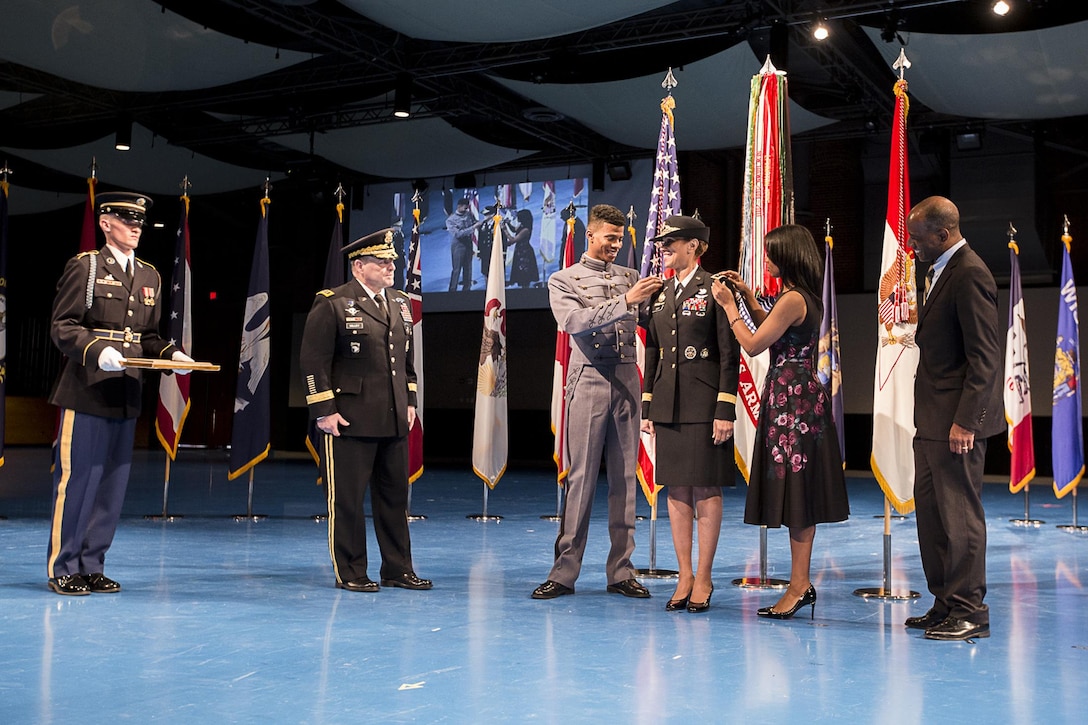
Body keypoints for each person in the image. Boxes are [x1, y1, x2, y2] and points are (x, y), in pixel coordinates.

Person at [47, 191, 194, 595]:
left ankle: (92, 564)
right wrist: (98, 351)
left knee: (112, 485)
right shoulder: (88, 267)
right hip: (88, 390)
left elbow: (147, 336)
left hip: (127, 391)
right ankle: (64, 566)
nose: (136, 228)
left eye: (140, 222)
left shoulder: (150, 276)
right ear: (106, 223)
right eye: (127, 220)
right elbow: (63, 326)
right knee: (78, 482)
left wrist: (172, 354)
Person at [711, 224, 849, 619]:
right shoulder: (800, 296)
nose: (766, 260)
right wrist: (750, 297)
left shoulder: (792, 299)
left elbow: (754, 343)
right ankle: (799, 583)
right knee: (796, 493)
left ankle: (800, 585)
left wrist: (728, 305)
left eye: (771, 254)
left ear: (788, 257)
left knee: (798, 495)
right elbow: (771, 323)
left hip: (794, 406)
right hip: (797, 397)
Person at [532, 204, 664, 600]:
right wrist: (627, 300)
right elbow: (574, 322)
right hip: (588, 377)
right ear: (590, 236)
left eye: (620, 239)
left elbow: (651, 324)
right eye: (609, 238)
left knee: (625, 480)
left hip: (625, 378)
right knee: (581, 479)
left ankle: (621, 571)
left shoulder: (630, 276)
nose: (615, 245)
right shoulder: (563, 279)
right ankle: (564, 572)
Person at [300, 228, 432, 593]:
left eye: (391, 260)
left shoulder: (400, 303)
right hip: (349, 419)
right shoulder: (333, 303)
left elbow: (406, 362)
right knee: (348, 501)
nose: (390, 267)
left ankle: (398, 568)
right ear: (359, 267)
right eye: (382, 261)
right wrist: (324, 410)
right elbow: (314, 362)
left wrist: (409, 402)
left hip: (392, 419)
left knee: (394, 500)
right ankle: (352, 570)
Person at [903, 196, 1002, 641]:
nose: (912, 246)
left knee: (960, 517)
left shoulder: (970, 273)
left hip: (956, 425)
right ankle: (944, 602)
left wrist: (968, 421)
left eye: (919, 239)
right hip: (930, 422)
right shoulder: (936, 270)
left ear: (943, 235)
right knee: (932, 516)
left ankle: (970, 611)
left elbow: (985, 358)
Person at [641, 216, 739, 613]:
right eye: (663, 243)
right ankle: (683, 574)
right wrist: (648, 403)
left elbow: (728, 354)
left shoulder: (716, 288)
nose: (664, 248)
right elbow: (652, 350)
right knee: (677, 489)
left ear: (695, 247)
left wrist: (725, 407)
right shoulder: (660, 293)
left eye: (673, 242)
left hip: (704, 403)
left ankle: (704, 576)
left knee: (705, 488)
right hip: (668, 402)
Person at [445, 197, 483, 291]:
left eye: (467, 208)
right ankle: (452, 290)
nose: (466, 209)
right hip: (458, 246)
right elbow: (457, 234)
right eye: (465, 208)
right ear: (459, 206)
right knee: (457, 269)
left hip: (468, 244)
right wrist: (473, 228)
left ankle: (467, 288)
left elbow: (474, 222)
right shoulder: (450, 220)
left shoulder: (468, 214)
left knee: (468, 268)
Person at [504, 208, 540, 287]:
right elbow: (514, 229)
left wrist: (505, 230)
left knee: (524, 274)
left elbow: (513, 240)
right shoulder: (522, 226)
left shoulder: (526, 230)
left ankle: (525, 290)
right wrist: (508, 224)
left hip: (524, 253)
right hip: (520, 251)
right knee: (521, 273)